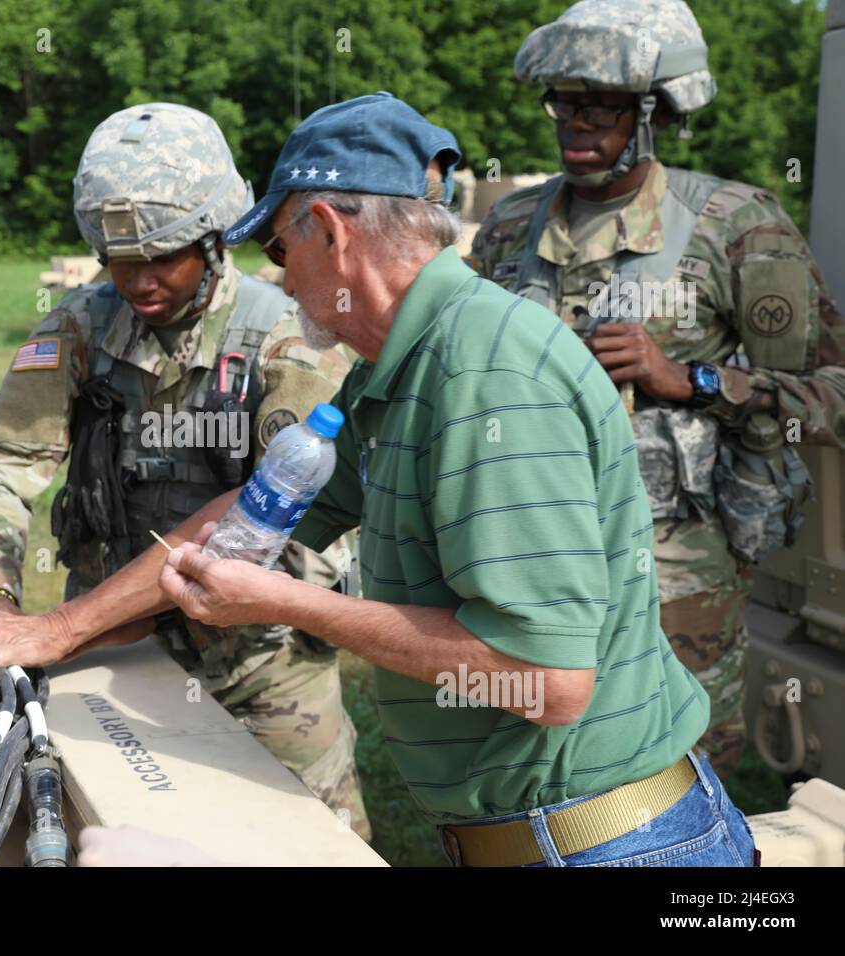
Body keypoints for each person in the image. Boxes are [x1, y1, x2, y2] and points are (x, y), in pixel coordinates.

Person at [147, 90, 756, 867]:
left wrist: (283, 601)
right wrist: (52, 630)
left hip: (608, 848)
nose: (283, 280)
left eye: (276, 249)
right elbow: (261, 514)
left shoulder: (486, 373)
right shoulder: (399, 364)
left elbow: (546, 677)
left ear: (329, 232)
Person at [0, 102, 370, 839]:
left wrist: (73, 625)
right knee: (115, 837)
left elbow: (285, 522)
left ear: (214, 239)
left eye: (161, 257)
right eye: (119, 260)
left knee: (310, 844)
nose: (138, 282)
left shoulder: (286, 339)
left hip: (261, 664)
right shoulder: (80, 327)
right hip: (115, 655)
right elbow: (4, 464)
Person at [468, 0, 845, 779]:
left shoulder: (735, 226)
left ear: (654, 113)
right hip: (524, 557)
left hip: (677, 577)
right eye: (563, 103)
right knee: (529, 766)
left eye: (599, 104)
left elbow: (835, 388)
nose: (575, 123)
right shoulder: (508, 230)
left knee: (677, 775)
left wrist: (696, 380)